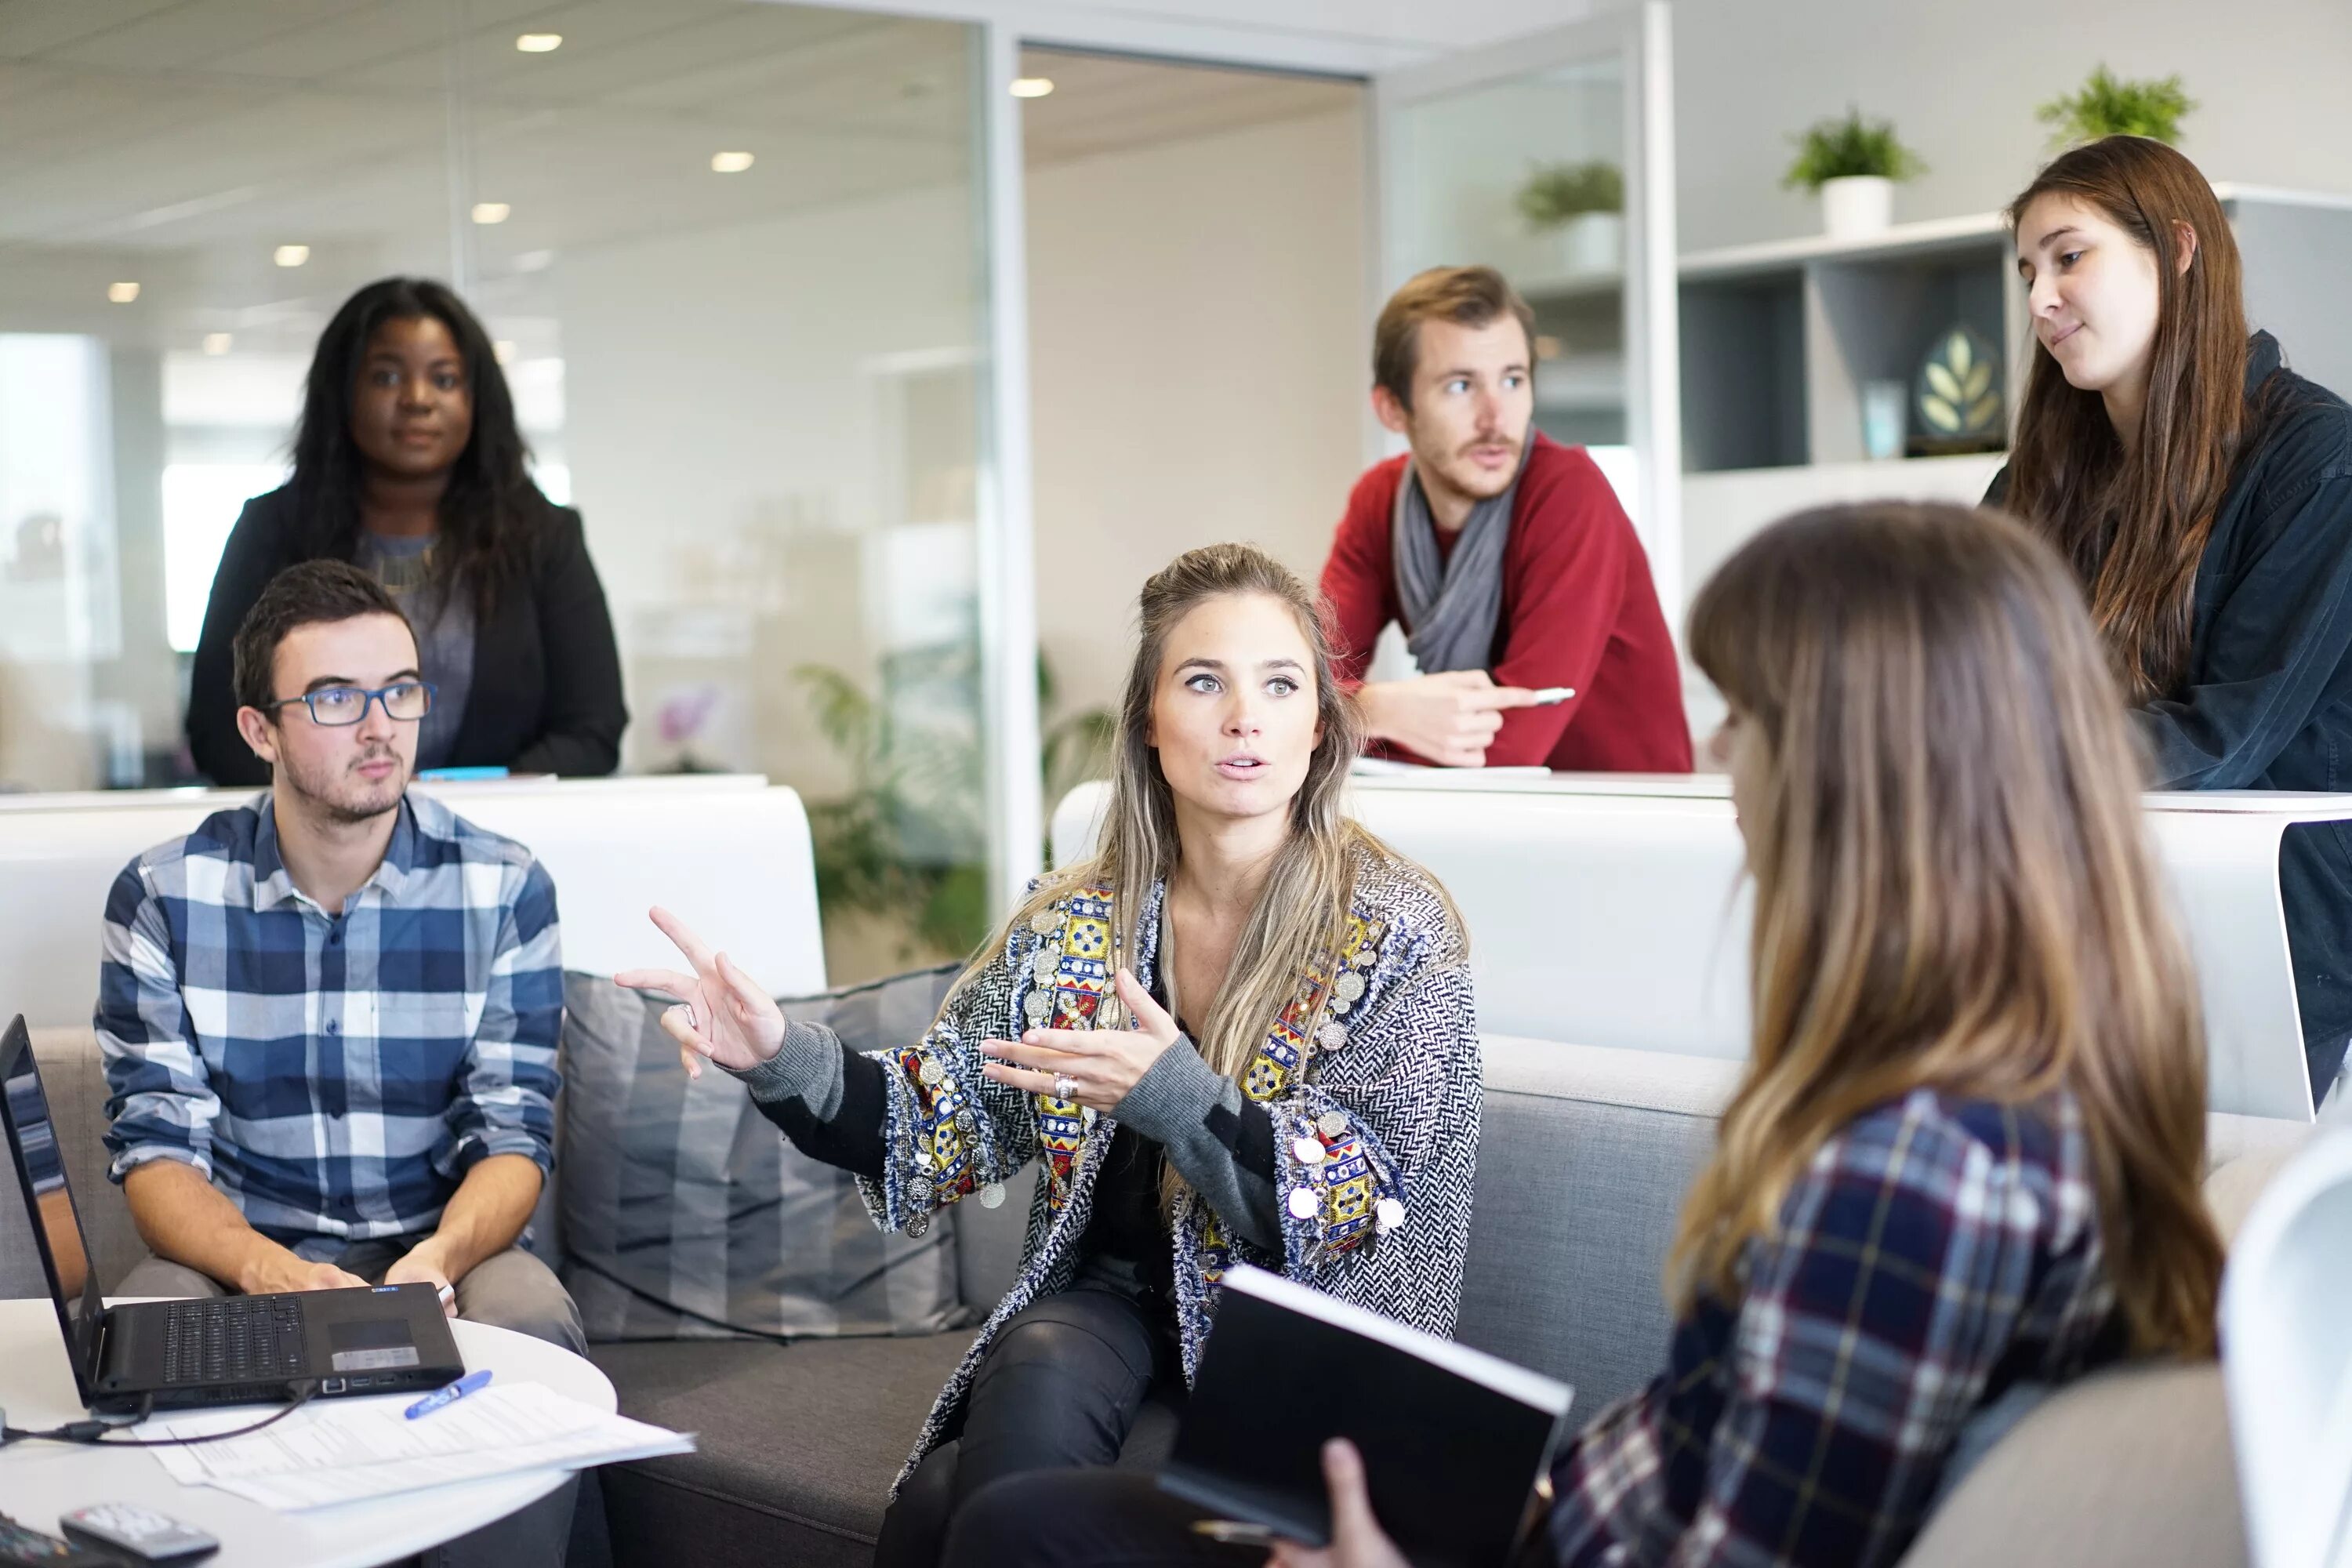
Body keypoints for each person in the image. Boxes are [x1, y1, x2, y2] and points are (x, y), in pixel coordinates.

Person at [949, 503, 2224, 1568]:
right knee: (1007, 1513)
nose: (1722, 756)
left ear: (1863, 770)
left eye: (1750, 718)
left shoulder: (1911, 1173)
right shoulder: (2008, 1090)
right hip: (1548, 1518)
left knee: (1022, 1536)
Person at [619, 543, 1482, 1566]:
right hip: (1112, 1307)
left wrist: (1175, 1097)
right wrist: (773, 1053)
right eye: (1204, 681)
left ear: (1319, 728)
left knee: (950, 1502)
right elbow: (928, 1122)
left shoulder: (1395, 929)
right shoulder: (1078, 923)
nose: (1245, 715)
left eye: (1280, 684)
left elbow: (1356, 1202)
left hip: (1304, 1350)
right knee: (1032, 1364)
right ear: (1150, 725)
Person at [100, 561, 581, 1357]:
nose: (380, 726)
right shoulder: (163, 895)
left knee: (532, 1318)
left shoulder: (505, 887)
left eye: (400, 690)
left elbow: (513, 1135)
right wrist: (267, 1267)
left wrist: (437, 1260)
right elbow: (156, 1150)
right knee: (143, 1325)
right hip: (242, 1250)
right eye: (335, 697)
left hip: (443, 1245)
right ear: (260, 730)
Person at [1991, 135, 2352, 1105]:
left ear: (2179, 250)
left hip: (2274, 936)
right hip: (2080, 910)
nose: (2039, 300)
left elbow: (2225, 736)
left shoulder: (2318, 458)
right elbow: (1961, 676)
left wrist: (1987, 757)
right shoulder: (2036, 482)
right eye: (2029, 271)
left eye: (2070, 256)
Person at [187, 277, 626, 786]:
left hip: (500, 841)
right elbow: (219, 732)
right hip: (318, 850)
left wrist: (461, 805)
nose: (418, 399)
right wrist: (353, 800)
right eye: (387, 378)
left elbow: (593, 731)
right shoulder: (272, 531)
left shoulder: (545, 538)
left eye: (444, 380)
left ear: (477, 399)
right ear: (342, 392)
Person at [1318, 265, 1690, 772]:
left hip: (1623, 821)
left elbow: (1511, 745)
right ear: (1392, 409)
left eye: (1513, 380)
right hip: (1486, 817)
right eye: (1459, 386)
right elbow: (1300, 684)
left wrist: (1343, 719)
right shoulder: (1379, 501)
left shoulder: (1569, 493)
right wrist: (1376, 708)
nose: (1496, 418)